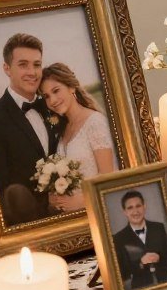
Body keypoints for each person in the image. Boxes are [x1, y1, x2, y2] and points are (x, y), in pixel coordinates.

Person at [0, 33, 62, 226]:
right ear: (7, 68)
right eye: (23, 64)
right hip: (26, 223)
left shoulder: (53, 106)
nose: (32, 72)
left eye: (37, 64)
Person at [40, 62, 117, 213]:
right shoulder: (62, 131)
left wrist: (83, 200)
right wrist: (54, 195)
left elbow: (108, 177)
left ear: (71, 87)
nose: (53, 101)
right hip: (71, 216)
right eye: (47, 96)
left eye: (56, 91)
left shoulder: (95, 122)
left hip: (97, 210)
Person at [112, 190, 167, 290]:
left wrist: (159, 257)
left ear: (144, 206)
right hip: (141, 289)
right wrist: (140, 263)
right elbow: (123, 273)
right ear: (125, 212)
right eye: (130, 208)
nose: (135, 211)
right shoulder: (118, 238)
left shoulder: (159, 228)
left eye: (138, 206)